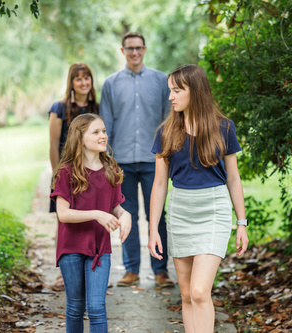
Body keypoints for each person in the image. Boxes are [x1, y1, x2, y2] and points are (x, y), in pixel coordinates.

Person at [148, 64, 249, 333]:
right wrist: (153, 229)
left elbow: (233, 178)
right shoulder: (166, 132)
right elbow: (159, 184)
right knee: (186, 295)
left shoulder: (224, 128)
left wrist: (242, 223)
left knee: (200, 291)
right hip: (180, 211)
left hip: (213, 211)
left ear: (197, 91)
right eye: (170, 90)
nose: (171, 97)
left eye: (177, 90)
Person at [100, 32, 174, 288]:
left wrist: (167, 154)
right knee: (126, 215)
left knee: (157, 216)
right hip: (121, 161)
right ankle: (131, 270)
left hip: (155, 161)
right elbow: (106, 123)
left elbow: (168, 120)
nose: (134, 52)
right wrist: (106, 159)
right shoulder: (110, 84)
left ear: (145, 49)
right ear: (122, 51)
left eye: (138, 48)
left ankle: (161, 270)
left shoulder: (161, 80)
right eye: (129, 48)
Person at [50, 113, 132, 333]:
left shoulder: (111, 170)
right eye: (96, 132)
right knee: (75, 307)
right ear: (80, 138)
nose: (103, 136)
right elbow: (63, 214)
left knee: (97, 307)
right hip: (72, 248)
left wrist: (125, 215)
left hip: (99, 248)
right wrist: (97, 214)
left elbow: (115, 206)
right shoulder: (66, 172)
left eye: (104, 131)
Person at [48, 63, 99, 288]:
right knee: (65, 221)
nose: (83, 82)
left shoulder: (97, 108)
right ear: (71, 82)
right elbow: (53, 144)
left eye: (87, 78)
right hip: (67, 173)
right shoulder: (58, 108)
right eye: (78, 79)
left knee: (93, 219)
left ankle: (94, 268)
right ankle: (65, 273)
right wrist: (56, 174)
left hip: (92, 172)